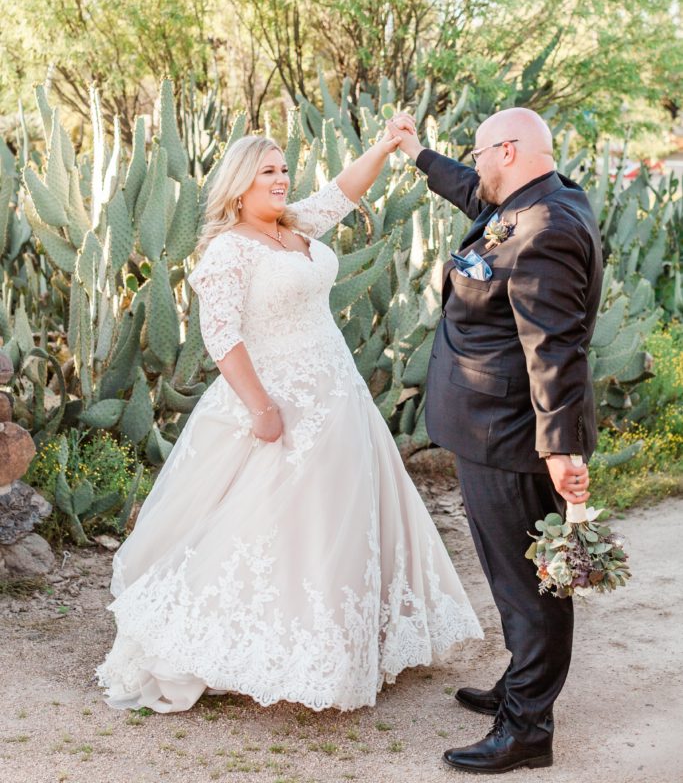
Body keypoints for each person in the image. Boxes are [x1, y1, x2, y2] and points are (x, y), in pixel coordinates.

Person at [96, 131, 483, 714]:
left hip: (337, 394)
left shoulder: (295, 223)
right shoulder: (229, 249)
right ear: (238, 184)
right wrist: (261, 408)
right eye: (266, 173)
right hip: (278, 399)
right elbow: (222, 337)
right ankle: (243, 647)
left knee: (340, 520)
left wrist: (384, 146)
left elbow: (342, 192)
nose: (280, 181)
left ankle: (346, 646)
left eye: (282, 170)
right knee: (269, 525)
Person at [388, 107, 603, 773]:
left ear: (505, 151)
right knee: (514, 577)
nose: (473, 165)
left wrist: (559, 447)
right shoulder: (532, 199)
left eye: (477, 154)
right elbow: (475, 198)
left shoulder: (545, 227)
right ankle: (518, 687)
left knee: (527, 587)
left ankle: (526, 729)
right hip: (487, 426)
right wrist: (420, 155)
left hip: (512, 436)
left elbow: (554, 346)